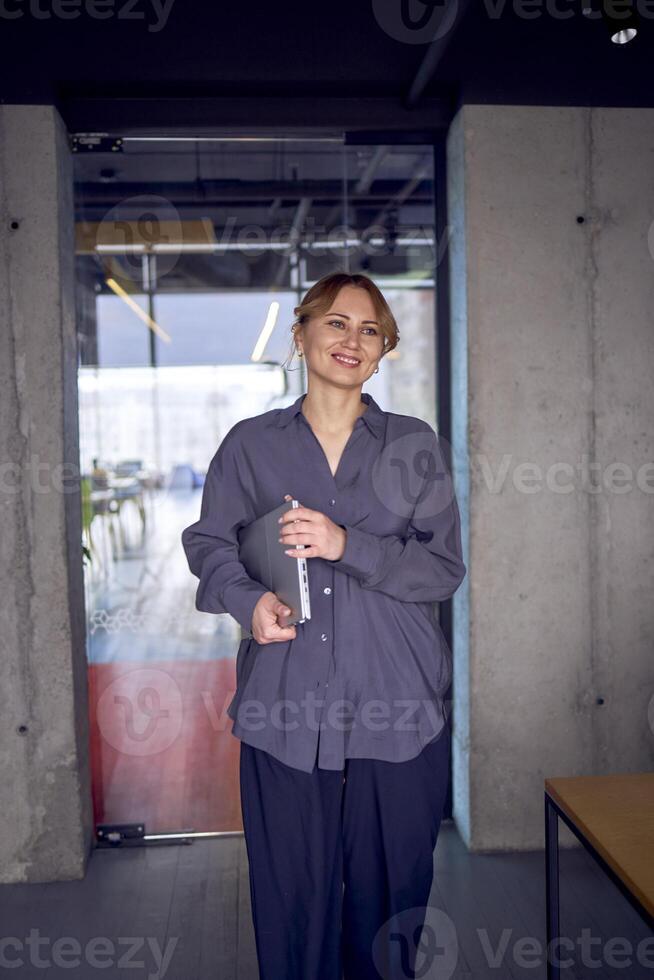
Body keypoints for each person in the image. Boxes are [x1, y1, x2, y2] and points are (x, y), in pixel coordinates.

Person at [181, 271, 466, 980]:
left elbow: (443, 570)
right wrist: (248, 602)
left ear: (382, 351)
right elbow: (208, 543)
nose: (352, 340)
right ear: (302, 335)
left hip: (396, 711)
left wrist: (347, 545)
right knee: (292, 904)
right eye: (336, 323)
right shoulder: (250, 445)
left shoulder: (413, 444)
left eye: (371, 330)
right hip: (286, 707)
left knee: (391, 905)